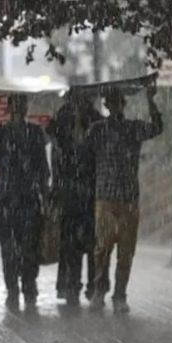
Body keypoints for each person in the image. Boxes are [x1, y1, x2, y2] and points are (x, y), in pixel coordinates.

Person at [0, 94, 49, 310]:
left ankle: (28, 287)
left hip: (28, 200)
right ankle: (13, 289)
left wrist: (46, 196)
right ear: (11, 108)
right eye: (16, 106)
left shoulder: (34, 133)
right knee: (9, 249)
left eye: (22, 105)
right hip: (6, 201)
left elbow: (42, 168)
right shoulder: (2, 133)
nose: (19, 109)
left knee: (29, 247)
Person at [88, 86, 163, 314]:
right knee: (102, 248)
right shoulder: (97, 130)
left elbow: (157, 127)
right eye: (111, 102)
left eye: (118, 102)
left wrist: (151, 101)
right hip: (106, 197)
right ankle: (100, 291)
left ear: (122, 104)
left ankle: (120, 294)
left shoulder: (133, 128)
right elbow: (82, 149)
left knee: (125, 251)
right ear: (107, 105)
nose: (115, 107)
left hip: (128, 197)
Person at [47, 91, 104, 306]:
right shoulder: (62, 120)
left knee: (91, 242)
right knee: (70, 242)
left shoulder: (96, 121)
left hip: (89, 190)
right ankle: (71, 285)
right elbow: (57, 152)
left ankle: (92, 285)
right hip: (69, 191)